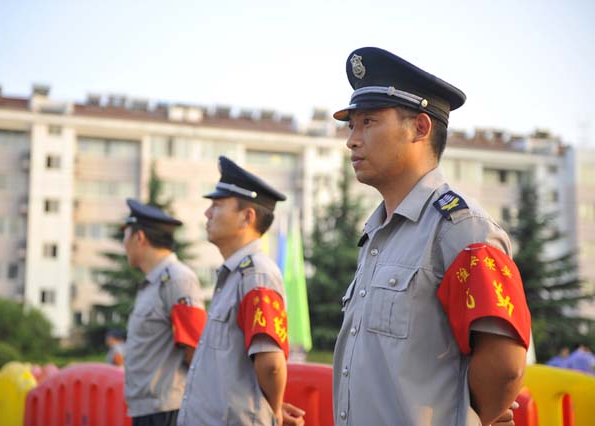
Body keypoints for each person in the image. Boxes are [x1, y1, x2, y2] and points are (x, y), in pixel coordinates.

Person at [331, 47, 532, 425]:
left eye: (368, 122)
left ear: (420, 128)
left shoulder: (461, 229)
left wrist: (468, 417)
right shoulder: (377, 235)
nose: (352, 140)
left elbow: (504, 365)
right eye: (351, 126)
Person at [177, 156, 305, 426]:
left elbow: (271, 363)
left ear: (247, 217)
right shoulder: (235, 274)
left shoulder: (256, 275)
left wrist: (272, 412)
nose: (207, 213)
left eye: (217, 205)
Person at [122, 199, 207, 426]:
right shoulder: (153, 282)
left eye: (125, 235)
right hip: (147, 409)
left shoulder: (178, 279)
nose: (123, 244)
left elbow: (196, 347)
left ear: (139, 237)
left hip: (168, 409)